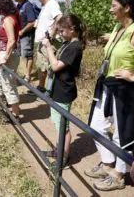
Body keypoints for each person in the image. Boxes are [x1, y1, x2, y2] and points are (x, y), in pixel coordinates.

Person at [85, 0, 134, 191]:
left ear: (127, 8)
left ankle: (118, 175)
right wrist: (110, 38)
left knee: (121, 133)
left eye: (114, 6)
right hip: (108, 86)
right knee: (96, 126)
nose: (110, 10)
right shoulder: (120, 28)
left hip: (126, 90)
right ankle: (108, 163)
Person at [41, 15, 86, 169]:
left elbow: (55, 66)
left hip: (64, 91)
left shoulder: (75, 47)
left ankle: (63, 159)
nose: (59, 34)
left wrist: (47, 47)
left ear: (72, 30)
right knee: (57, 122)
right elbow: (54, 60)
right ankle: (58, 151)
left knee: (63, 127)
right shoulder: (68, 43)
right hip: (57, 88)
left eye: (61, 31)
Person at [0, 0, 21, 118]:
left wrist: (5, 57)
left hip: (8, 54)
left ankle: (15, 115)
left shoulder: (8, 19)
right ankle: (3, 108)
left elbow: (12, 40)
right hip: (6, 53)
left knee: (8, 84)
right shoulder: (11, 16)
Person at [34, 0, 62, 94]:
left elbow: (59, 18)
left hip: (49, 42)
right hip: (43, 41)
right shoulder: (45, 6)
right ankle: (42, 88)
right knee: (42, 66)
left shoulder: (52, 4)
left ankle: (49, 91)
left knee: (50, 67)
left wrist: (52, 34)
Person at [12, 0, 37, 82]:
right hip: (20, 35)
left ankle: (27, 76)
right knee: (21, 54)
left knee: (28, 55)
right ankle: (23, 74)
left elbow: (32, 22)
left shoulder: (28, 6)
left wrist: (22, 31)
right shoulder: (19, 6)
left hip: (27, 35)